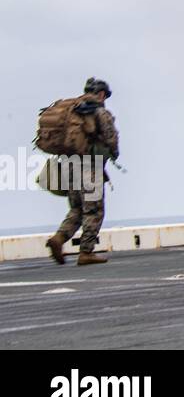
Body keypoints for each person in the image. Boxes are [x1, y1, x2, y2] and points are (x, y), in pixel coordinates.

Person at [46, 77, 119, 266]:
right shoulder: (99, 112)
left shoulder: (73, 110)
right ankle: (86, 252)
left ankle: (59, 238)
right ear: (102, 94)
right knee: (94, 210)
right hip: (90, 167)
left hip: (69, 166)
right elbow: (111, 138)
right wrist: (113, 152)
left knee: (77, 209)